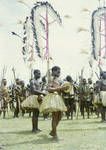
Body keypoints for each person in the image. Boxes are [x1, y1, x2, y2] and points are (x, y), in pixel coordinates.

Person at [40, 66, 67, 139]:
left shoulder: (59, 79)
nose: (59, 73)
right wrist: (60, 88)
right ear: (53, 72)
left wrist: (65, 89)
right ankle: (55, 135)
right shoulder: (51, 79)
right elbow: (49, 89)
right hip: (53, 98)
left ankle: (53, 131)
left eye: (59, 71)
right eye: (58, 71)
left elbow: (61, 89)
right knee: (55, 117)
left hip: (58, 98)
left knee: (60, 116)